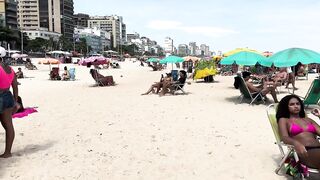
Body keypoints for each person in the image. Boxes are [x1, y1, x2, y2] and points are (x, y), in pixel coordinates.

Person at [277, 95, 320, 169]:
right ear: (286, 107)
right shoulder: (284, 120)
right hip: (305, 150)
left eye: (298, 104)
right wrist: (296, 143)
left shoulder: (308, 120)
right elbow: (284, 137)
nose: (296, 106)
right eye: (292, 104)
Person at [0, 57, 19, 158]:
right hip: (8, 96)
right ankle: (8, 152)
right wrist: (15, 101)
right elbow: (15, 86)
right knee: (8, 126)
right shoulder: (10, 69)